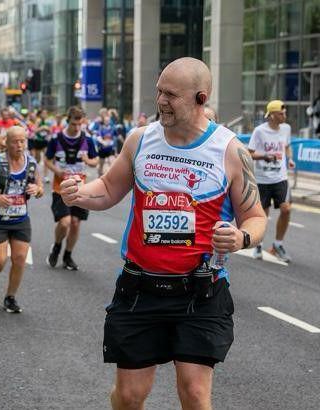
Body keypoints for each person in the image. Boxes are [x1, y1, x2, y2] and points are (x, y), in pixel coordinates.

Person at [60, 57, 266, 410]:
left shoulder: (230, 150)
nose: (161, 102)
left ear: (201, 98)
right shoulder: (141, 140)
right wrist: (79, 193)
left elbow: (255, 216)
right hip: (141, 288)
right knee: (128, 397)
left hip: (200, 292)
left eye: (171, 95)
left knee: (195, 394)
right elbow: (109, 189)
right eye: (159, 92)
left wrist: (242, 238)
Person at [0, 126, 43, 313]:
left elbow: (40, 187)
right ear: (7, 143)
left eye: (23, 141)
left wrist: (36, 190)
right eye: (16, 141)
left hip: (20, 218)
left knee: (20, 258)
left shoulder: (31, 163)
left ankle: (10, 297)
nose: (20, 145)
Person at [44, 107, 98, 271]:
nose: (77, 128)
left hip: (80, 188)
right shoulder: (57, 138)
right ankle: (57, 246)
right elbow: (47, 160)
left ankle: (68, 255)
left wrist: (88, 161)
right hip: (61, 188)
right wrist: (57, 171)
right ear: (68, 120)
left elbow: (95, 161)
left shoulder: (87, 139)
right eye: (74, 124)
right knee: (65, 222)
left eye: (80, 124)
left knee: (75, 223)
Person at [248, 100, 295, 262]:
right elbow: (250, 153)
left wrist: (289, 159)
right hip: (262, 180)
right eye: (281, 113)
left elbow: (287, 146)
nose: (284, 116)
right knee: (263, 214)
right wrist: (264, 156)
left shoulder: (286, 129)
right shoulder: (259, 131)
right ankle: (258, 245)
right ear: (272, 115)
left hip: (280, 177)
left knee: (286, 209)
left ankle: (277, 245)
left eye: (285, 113)